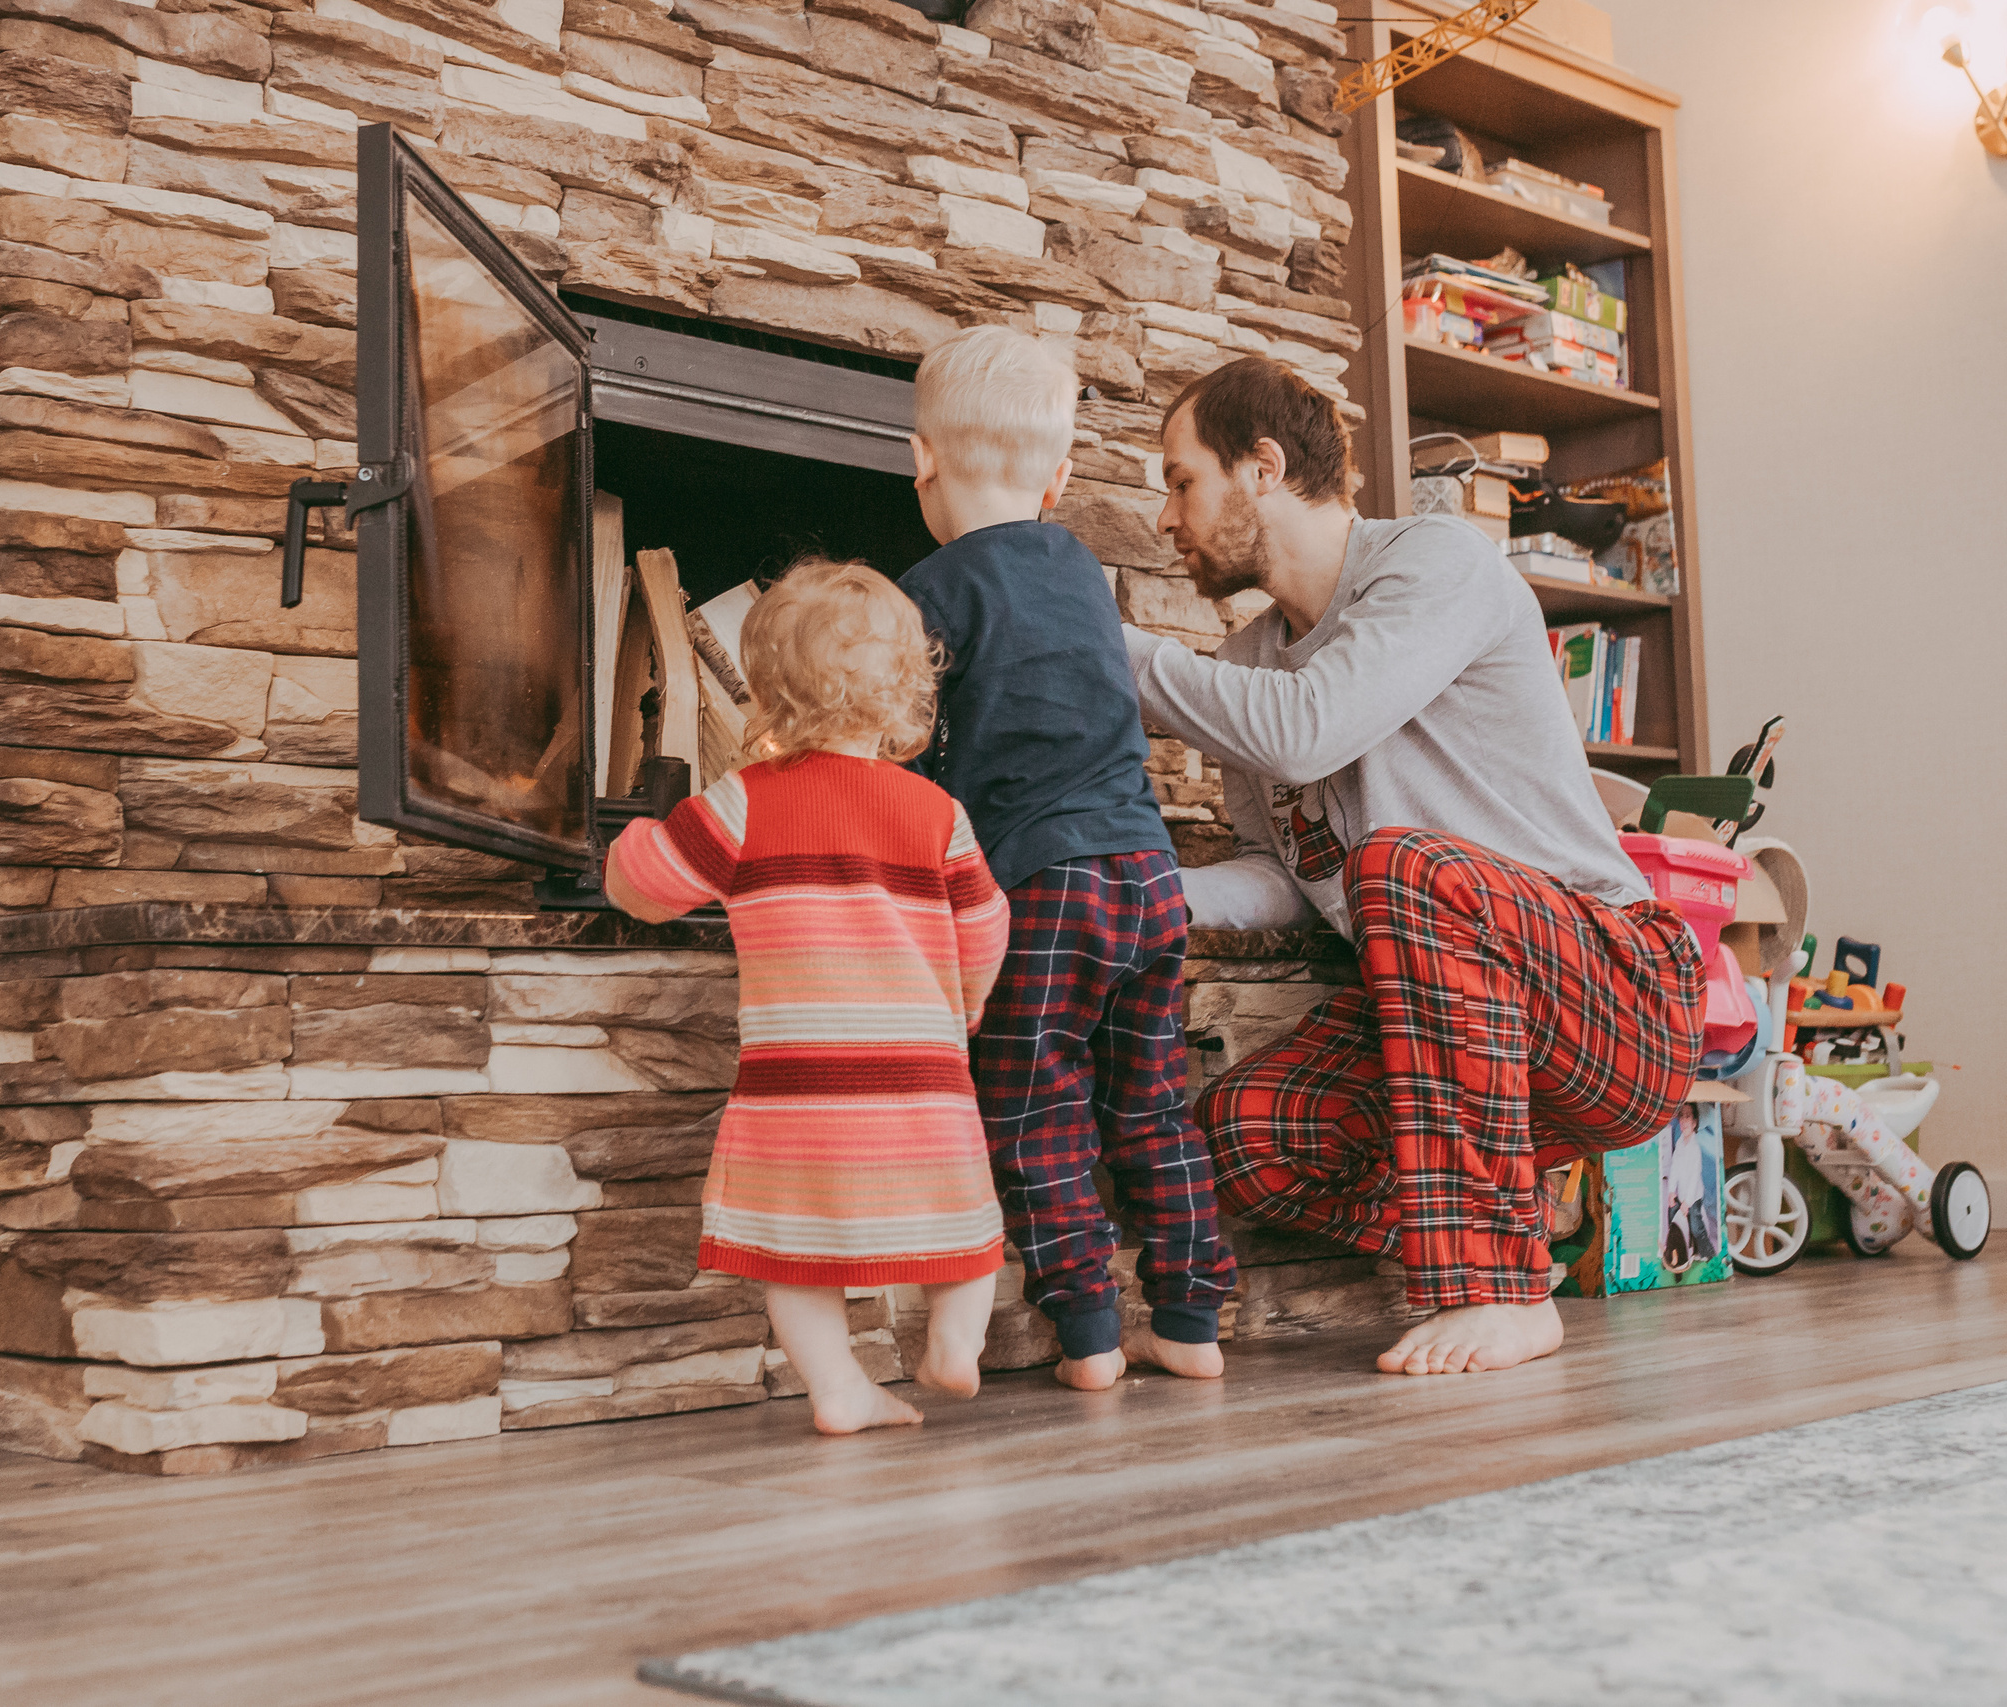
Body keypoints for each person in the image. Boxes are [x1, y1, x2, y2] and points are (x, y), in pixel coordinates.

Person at [1129, 355, 1705, 1377]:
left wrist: (1104, 648)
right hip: (1446, 1028)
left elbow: (1312, 733)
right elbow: (1283, 876)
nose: (1167, 519)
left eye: (1180, 481)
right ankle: (1510, 1219)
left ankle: (1502, 1291)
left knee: (1402, 868)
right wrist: (1142, 896)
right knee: (1236, 1135)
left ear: (1261, 467)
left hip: (1615, 990)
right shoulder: (1248, 670)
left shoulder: (1434, 561)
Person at [899, 325, 1236, 1390]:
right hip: (1146, 876)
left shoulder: (929, 592)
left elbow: (910, 750)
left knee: (1036, 1109)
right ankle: (1188, 1317)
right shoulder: (1087, 574)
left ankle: (1089, 1334)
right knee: (1147, 1104)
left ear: (921, 460)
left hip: (1041, 885)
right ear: (1057, 478)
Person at [603, 558, 1012, 1435]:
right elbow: (986, 929)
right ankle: (953, 1341)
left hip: (799, 1095)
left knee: (792, 1253)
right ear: (907, 688)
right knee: (970, 1230)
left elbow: (650, 882)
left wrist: (622, 843)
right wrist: (965, 1011)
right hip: (922, 1088)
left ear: (768, 691)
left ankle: (835, 1385)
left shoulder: (745, 802)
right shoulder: (938, 813)